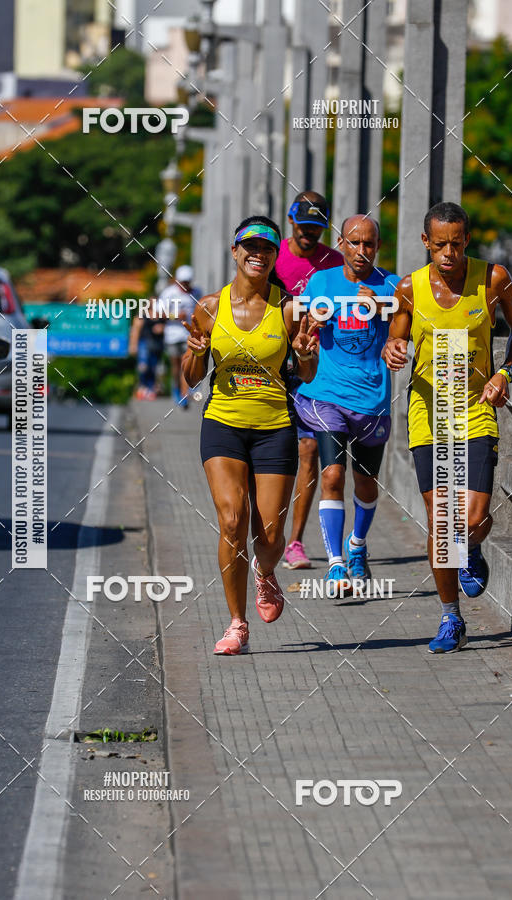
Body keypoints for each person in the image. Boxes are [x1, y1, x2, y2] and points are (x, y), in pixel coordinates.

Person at [382, 201, 512, 653]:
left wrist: (505, 371)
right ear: (426, 242)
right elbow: (396, 337)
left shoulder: (494, 279)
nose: (449, 253)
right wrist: (392, 349)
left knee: (474, 518)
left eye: (457, 244)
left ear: (467, 239)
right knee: (441, 522)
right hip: (429, 413)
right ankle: (451, 618)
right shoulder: (410, 288)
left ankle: (471, 548)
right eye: (440, 244)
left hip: (475, 408)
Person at [182, 215, 319, 656]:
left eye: (267, 248)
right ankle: (237, 624)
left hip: (274, 427)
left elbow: (308, 373)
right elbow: (190, 378)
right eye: (251, 246)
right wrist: (195, 353)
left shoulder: (290, 309)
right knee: (232, 520)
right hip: (222, 423)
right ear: (235, 251)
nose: (258, 254)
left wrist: (304, 355)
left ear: (275, 256)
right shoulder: (209, 308)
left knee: (271, 537)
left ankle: (265, 571)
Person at [293, 215, 399, 595]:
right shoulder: (322, 282)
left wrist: (383, 306)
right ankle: (336, 564)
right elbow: (303, 330)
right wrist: (307, 334)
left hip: (372, 401)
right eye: (354, 242)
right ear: (341, 243)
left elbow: (408, 327)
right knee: (332, 476)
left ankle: (357, 544)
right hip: (327, 394)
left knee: (366, 483)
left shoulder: (392, 285)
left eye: (369, 244)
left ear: (378, 246)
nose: (361, 251)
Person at [275, 191, 344, 570]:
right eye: (303, 226)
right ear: (291, 221)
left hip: (316, 369)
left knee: (309, 451)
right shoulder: (274, 258)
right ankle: (266, 530)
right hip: (272, 368)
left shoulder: (335, 263)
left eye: (316, 228)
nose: (309, 234)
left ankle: (295, 542)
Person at [159, 265, 200, 409]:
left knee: (185, 364)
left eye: (187, 282)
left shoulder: (197, 292)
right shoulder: (169, 293)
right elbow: (158, 313)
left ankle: (184, 394)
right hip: (172, 335)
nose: (185, 285)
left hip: (188, 335)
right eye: (183, 282)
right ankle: (176, 389)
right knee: (176, 366)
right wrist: (175, 316)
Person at [128, 298, 165, 400]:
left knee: (153, 367)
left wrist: (162, 328)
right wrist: (133, 345)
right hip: (144, 343)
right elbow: (135, 330)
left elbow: (169, 326)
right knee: (143, 366)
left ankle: (150, 388)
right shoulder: (142, 314)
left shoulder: (162, 315)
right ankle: (142, 386)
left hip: (157, 345)